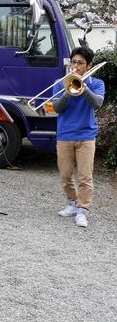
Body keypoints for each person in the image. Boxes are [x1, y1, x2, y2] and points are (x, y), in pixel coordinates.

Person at [52, 46, 105, 228]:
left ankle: (82, 210)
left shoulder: (96, 83)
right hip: (65, 134)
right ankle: (72, 203)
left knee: (85, 177)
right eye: (73, 62)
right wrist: (69, 89)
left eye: (80, 63)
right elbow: (57, 108)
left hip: (86, 135)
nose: (75, 66)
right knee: (65, 175)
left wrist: (83, 88)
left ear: (89, 65)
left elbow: (97, 103)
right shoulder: (61, 83)